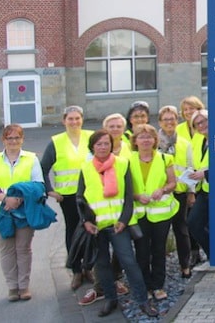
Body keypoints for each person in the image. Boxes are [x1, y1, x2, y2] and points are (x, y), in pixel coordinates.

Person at [77, 129, 158, 317]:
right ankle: (110, 299)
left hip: (118, 225)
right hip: (97, 226)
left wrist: (123, 220)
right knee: (102, 264)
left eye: (106, 143)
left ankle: (142, 301)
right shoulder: (86, 167)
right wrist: (86, 222)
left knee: (129, 262)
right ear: (92, 147)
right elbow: (80, 197)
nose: (103, 147)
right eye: (99, 144)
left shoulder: (122, 164)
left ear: (111, 145)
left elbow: (129, 196)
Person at [0, 124, 44, 301]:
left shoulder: (31, 159)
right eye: (10, 138)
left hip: (24, 212)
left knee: (23, 249)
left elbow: (38, 184)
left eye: (17, 137)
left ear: (22, 139)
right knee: (7, 249)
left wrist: (19, 200)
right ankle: (12, 287)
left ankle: (24, 286)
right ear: (3, 140)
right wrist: (5, 199)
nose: (13, 141)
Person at [78, 113, 131, 306]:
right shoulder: (95, 151)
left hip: (123, 211)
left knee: (122, 253)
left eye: (118, 126)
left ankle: (116, 280)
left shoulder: (128, 147)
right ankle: (102, 288)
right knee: (101, 256)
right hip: (99, 214)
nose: (115, 129)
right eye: (111, 126)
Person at [41, 105, 94, 290]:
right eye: (70, 119)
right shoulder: (56, 142)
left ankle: (89, 267)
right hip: (69, 196)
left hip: (91, 193)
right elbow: (43, 168)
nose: (74, 122)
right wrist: (50, 190)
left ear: (82, 119)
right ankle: (76, 270)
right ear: (64, 121)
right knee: (73, 231)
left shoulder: (91, 137)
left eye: (77, 118)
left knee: (92, 231)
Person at [129, 124, 179, 301]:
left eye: (149, 136)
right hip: (139, 213)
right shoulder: (127, 160)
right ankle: (145, 286)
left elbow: (173, 183)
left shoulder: (165, 158)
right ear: (135, 141)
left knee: (159, 250)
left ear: (155, 140)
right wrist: (136, 195)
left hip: (160, 214)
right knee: (141, 251)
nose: (146, 140)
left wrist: (163, 190)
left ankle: (158, 285)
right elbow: (123, 188)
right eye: (141, 137)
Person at [157, 105, 196, 278]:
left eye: (172, 119)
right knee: (161, 233)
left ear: (177, 120)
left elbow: (190, 167)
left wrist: (191, 191)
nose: (169, 122)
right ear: (160, 122)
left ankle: (185, 265)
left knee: (181, 230)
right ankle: (159, 270)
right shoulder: (153, 140)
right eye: (165, 119)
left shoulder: (185, 143)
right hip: (161, 193)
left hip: (179, 191)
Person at [175, 96, 205, 267]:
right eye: (185, 109)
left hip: (203, 178)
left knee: (201, 220)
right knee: (189, 220)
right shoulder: (179, 129)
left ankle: (208, 249)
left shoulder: (204, 126)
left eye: (191, 109)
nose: (188, 112)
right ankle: (195, 253)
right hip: (187, 180)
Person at [187, 110, 212, 263]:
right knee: (193, 223)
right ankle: (214, 254)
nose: (202, 125)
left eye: (204, 121)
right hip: (203, 189)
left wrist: (206, 173)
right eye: (198, 124)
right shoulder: (199, 140)